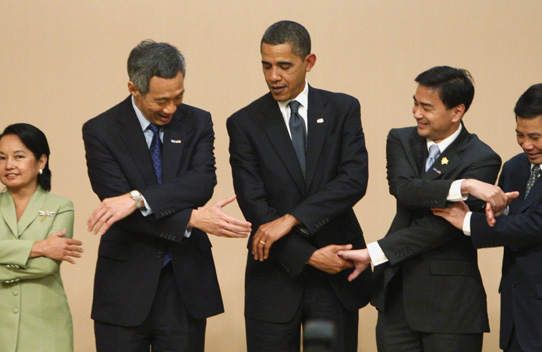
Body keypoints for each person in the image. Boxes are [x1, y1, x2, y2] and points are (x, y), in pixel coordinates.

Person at [83, 40, 251, 352]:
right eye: (160, 101)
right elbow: (116, 206)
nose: (170, 109)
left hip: (184, 283)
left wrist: (136, 198)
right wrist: (192, 218)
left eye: (178, 97)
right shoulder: (101, 130)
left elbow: (201, 182)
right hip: (123, 287)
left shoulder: (197, 121)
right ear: (134, 88)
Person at [338, 66, 508, 351]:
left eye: (426, 107)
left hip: (451, 306)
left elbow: (440, 228)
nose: (416, 113)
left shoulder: (483, 158)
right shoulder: (401, 139)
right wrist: (464, 185)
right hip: (395, 298)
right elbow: (405, 190)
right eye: (415, 103)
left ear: (457, 112)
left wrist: (375, 252)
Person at [226, 20, 372, 352]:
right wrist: (308, 256)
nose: (273, 76)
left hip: (336, 272)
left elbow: (353, 181)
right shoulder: (244, 123)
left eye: (284, 66)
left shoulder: (342, 109)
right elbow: (253, 203)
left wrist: (291, 219)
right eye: (266, 65)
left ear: (309, 62)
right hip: (275, 276)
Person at [433, 83, 542, 352]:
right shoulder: (516, 167)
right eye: (519, 134)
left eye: (535, 136)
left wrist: (469, 221)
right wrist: (499, 211)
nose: (526, 144)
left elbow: (537, 224)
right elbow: (515, 216)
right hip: (517, 315)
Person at [0, 123, 83, 352]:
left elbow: (47, 266)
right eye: (1, 157)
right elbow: (44, 254)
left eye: (18, 156)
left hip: (45, 329)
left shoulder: (60, 206)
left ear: (41, 162)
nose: (9, 165)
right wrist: (40, 246)